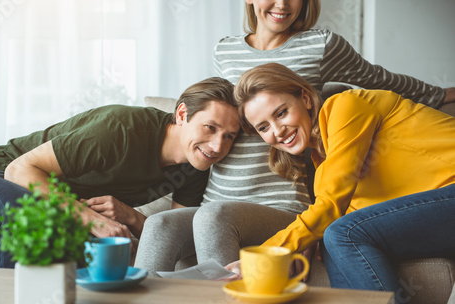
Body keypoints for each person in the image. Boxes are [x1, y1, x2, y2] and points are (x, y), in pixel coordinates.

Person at [135, 0, 455, 276]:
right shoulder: (225, 50)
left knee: (213, 218)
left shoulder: (323, 46)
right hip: (222, 192)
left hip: (279, 197)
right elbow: (214, 118)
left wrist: (441, 94)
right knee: (159, 225)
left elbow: (380, 80)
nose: (283, 4)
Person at [228, 62, 455, 304]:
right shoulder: (324, 167)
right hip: (438, 214)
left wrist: (268, 254)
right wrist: (314, 237)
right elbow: (335, 213)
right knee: (331, 239)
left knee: (340, 233)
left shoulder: (345, 106)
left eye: (281, 113)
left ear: (304, 98)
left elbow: (332, 207)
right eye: (264, 127)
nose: (277, 131)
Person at [0, 77, 241, 268]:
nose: (218, 146)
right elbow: (19, 169)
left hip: (53, 201)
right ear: (182, 115)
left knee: (97, 248)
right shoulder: (120, 130)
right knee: (30, 220)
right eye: (210, 127)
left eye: (229, 136)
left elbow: (175, 234)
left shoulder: (198, 164)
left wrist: (130, 216)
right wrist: (89, 218)